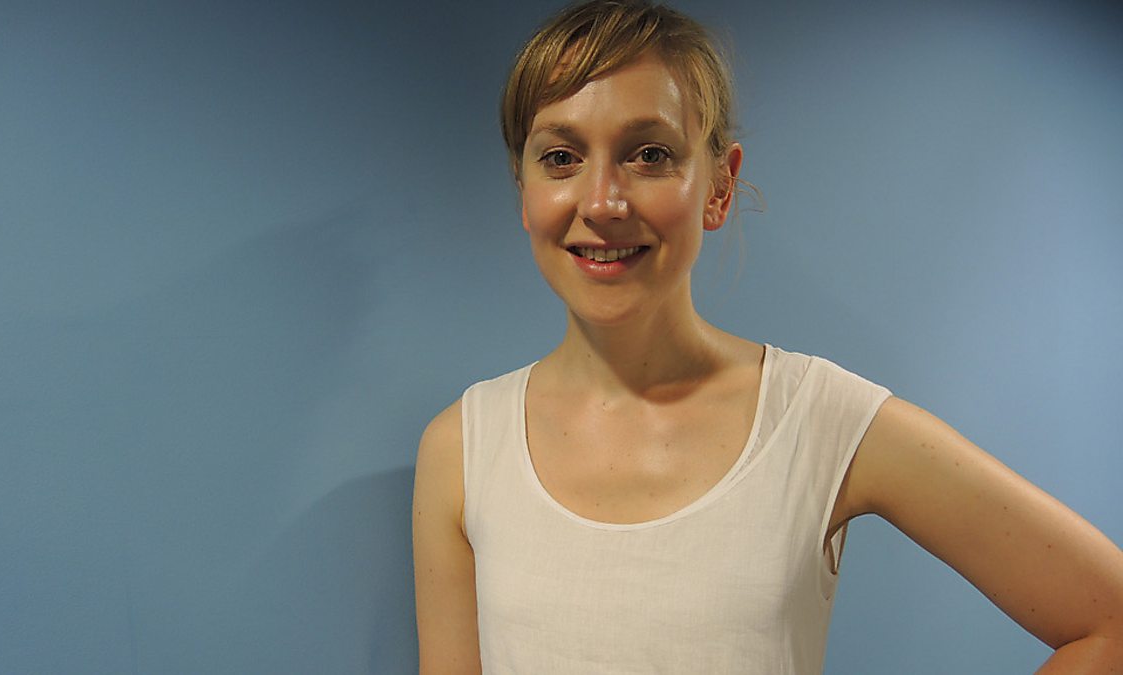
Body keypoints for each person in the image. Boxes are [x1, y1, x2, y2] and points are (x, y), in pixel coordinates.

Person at [412, 0, 1123, 672]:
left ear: (719, 187)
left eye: (649, 154)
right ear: (524, 190)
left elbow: (1109, 620)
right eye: (561, 158)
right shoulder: (463, 448)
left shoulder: (819, 419)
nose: (602, 201)